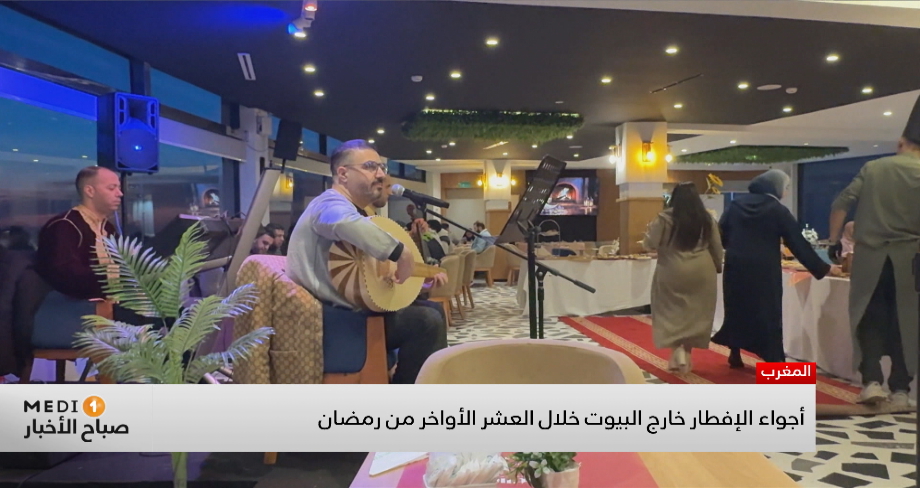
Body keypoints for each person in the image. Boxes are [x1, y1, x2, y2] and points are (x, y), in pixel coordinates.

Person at [286, 140, 448, 384]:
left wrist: (416, 280)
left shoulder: (357, 211)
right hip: (334, 318)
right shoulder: (328, 203)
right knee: (426, 322)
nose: (381, 174)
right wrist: (400, 252)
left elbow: (366, 275)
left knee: (433, 310)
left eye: (382, 167)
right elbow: (341, 222)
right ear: (343, 174)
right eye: (371, 167)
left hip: (353, 307)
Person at [827, 97, 920, 406]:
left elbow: (841, 203)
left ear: (901, 142)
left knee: (868, 317)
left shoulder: (875, 167)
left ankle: (872, 383)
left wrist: (834, 240)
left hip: (870, 258)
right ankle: (902, 390)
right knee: (908, 322)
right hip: (913, 259)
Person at [712, 170, 842, 366]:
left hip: (736, 266)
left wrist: (735, 247)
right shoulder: (777, 209)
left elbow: (721, 233)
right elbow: (798, 244)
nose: (787, 191)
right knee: (767, 313)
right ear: (775, 187)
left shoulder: (735, 205)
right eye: (786, 187)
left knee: (737, 309)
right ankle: (773, 359)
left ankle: (735, 353)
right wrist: (823, 268)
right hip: (764, 269)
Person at [642, 182, 723, 374]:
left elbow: (650, 243)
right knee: (696, 313)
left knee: (669, 311)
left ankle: (677, 349)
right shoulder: (706, 219)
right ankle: (686, 351)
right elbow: (716, 247)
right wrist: (717, 267)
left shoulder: (664, 218)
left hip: (672, 268)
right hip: (702, 271)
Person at [35, 166, 122, 301]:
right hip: (73, 308)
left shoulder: (107, 227)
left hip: (109, 304)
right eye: (111, 188)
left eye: (119, 188)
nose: (119, 193)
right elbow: (65, 275)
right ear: (89, 191)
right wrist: (118, 276)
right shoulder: (64, 225)